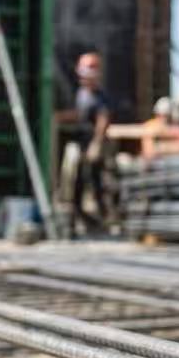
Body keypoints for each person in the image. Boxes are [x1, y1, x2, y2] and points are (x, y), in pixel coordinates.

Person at [69, 51, 114, 230]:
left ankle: (104, 218)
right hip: (81, 142)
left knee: (96, 181)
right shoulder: (81, 93)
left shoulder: (100, 96)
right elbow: (78, 115)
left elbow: (103, 119)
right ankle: (79, 215)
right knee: (78, 180)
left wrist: (96, 144)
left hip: (94, 144)